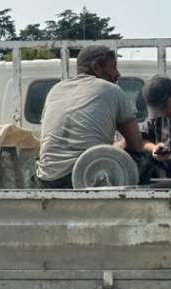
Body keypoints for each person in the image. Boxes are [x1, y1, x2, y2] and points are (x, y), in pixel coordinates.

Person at [36, 45, 144, 189]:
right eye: (113, 67)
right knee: (142, 159)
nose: (118, 74)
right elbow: (136, 145)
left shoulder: (55, 90)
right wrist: (117, 146)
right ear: (96, 68)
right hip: (84, 176)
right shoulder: (112, 90)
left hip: (46, 178)